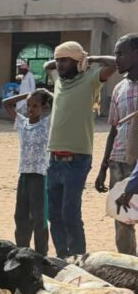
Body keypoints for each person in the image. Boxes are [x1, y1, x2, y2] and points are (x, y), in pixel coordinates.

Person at [44, 41, 117, 258]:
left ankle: (78, 258)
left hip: (77, 160)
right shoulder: (58, 79)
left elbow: (114, 64)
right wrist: (62, 58)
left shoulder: (91, 79)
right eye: (58, 60)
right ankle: (62, 257)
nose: (59, 64)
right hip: (54, 159)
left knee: (70, 213)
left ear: (78, 62)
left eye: (65, 60)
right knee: (54, 215)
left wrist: (89, 59)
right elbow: (48, 66)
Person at [100, 34, 138, 255]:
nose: (117, 59)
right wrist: (104, 166)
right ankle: (130, 270)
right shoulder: (119, 89)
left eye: (121, 53)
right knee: (122, 220)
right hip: (119, 162)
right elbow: (114, 129)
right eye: (115, 54)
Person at [3, 89, 53, 256]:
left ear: (43, 107)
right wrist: (27, 95)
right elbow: (6, 103)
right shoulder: (22, 123)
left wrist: (45, 93)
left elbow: (59, 105)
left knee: (39, 218)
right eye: (28, 106)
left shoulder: (46, 124)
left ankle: (41, 254)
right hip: (24, 176)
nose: (30, 109)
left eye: (35, 106)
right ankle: (22, 251)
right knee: (21, 216)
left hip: (40, 177)